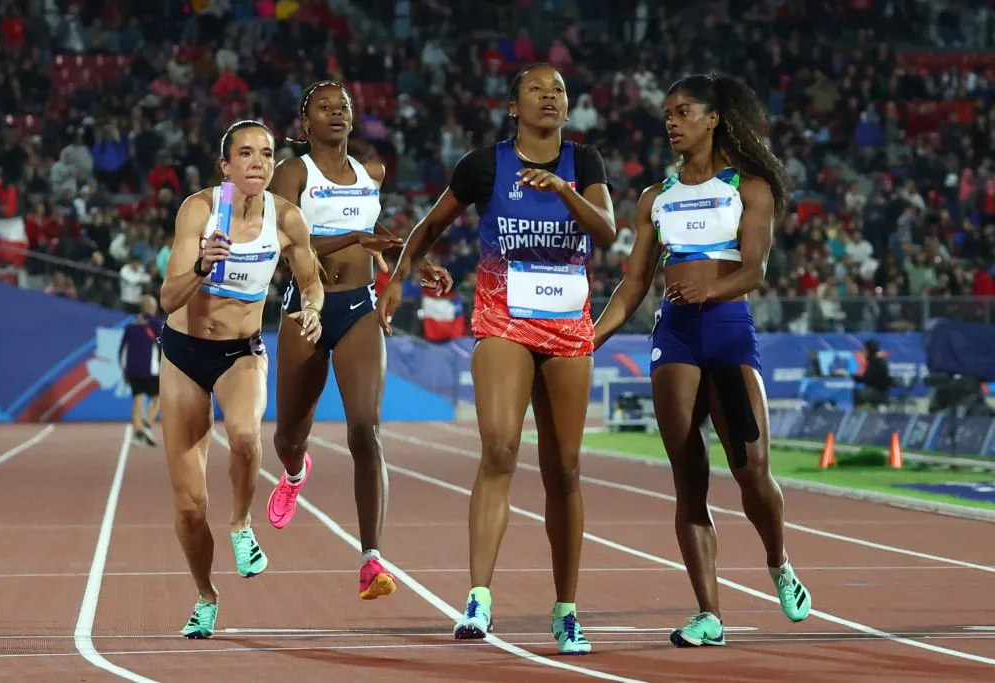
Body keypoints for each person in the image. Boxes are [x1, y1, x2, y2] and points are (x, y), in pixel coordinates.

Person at [378, 63, 616, 655]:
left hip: (567, 328)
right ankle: (479, 598)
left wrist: (562, 189)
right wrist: (404, 275)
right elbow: (430, 225)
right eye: (536, 89)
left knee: (564, 469)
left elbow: (608, 231)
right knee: (500, 448)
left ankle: (566, 610)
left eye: (559, 89)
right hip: (502, 319)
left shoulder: (584, 163)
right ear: (514, 105)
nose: (550, 97)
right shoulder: (485, 164)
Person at [592, 73, 811, 648]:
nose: (671, 122)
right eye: (666, 113)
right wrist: (588, 339)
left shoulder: (750, 187)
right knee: (689, 482)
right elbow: (633, 285)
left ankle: (779, 562)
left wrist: (709, 293)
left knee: (752, 472)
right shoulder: (653, 198)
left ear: (712, 118)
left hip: (729, 334)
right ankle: (708, 614)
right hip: (677, 339)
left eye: (683, 111)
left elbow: (755, 271)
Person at [264, 81, 452, 601]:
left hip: (359, 310)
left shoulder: (371, 173)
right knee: (287, 438)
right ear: (306, 123)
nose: (337, 113)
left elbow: (378, 231)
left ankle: (371, 558)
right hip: (307, 308)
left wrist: (417, 262)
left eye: (343, 106)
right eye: (324, 107)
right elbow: (279, 240)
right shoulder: (294, 172)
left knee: (365, 431)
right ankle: (296, 471)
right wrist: (352, 239)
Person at [158, 119, 325, 639]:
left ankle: (241, 525)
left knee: (248, 436)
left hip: (240, 353)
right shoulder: (201, 210)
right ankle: (206, 595)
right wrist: (203, 266)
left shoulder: (288, 218)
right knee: (189, 507)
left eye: (267, 154)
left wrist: (314, 310)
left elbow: (312, 282)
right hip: (184, 354)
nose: (258, 162)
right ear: (225, 165)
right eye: (246, 154)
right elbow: (168, 300)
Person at [119, 293, 162, 446]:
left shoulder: (131, 325)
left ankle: (138, 433)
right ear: (152, 307)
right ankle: (147, 425)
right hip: (151, 370)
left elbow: (122, 350)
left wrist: (124, 371)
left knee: (138, 399)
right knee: (158, 398)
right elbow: (162, 346)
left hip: (133, 371)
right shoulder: (157, 324)